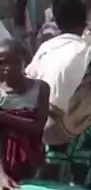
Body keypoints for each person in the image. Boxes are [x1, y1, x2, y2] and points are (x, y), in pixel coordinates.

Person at [27, 0, 91, 189]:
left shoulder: (45, 50)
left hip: (49, 138)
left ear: (57, 22)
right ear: (84, 19)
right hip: (85, 137)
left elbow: (30, 84)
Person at [0, 38, 50, 182]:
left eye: (14, 61)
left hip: (33, 159)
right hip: (3, 163)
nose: (7, 67)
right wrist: (1, 176)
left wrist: (5, 117)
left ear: (24, 60)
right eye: (1, 62)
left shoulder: (41, 88)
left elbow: (39, 127)